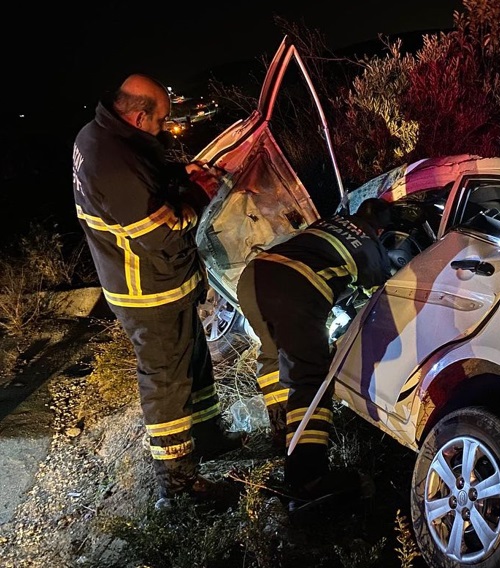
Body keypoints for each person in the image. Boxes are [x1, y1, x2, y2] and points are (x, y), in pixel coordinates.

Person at [72, 74, 242, 509]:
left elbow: (146, 181)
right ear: (139, 115)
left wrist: (174, 175)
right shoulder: (112, 161)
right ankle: (180, 488)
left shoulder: (101, 135)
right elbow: (162, 237)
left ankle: (207, 437)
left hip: (165, 282)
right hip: (148, 288)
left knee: (194, 360)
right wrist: (197, 197)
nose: (166, 129)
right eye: (163, 121)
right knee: (165, 380)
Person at [236, 198, 393, 508]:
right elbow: (382, 299)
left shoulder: (329, 221)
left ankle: (283, 432)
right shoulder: (372, 247)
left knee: (273, 356)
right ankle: (307, 477)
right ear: (382, 229)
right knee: (311, 378)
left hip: (253, 277)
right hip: (296, 288)